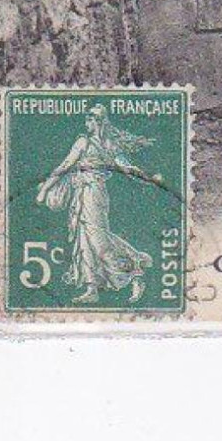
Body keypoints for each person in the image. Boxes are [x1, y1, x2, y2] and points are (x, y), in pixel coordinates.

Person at [35, 104, 158, 305]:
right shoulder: (84, 141)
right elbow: (65, 166)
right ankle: (91, 288)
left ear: (100, 122)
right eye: (86, 119)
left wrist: (145, 177)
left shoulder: (106, 145)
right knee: (84, 240)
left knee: (99, 240)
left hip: (95, 194)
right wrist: (45, 188)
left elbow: (126, 168)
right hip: (81, 194)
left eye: (91, 120)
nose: (87, 123)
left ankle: (134, 271)